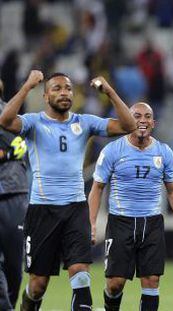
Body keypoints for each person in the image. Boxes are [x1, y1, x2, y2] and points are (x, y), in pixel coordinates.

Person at [0, 70, 136, 311]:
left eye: (68, 88)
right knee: (38, 285)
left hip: (75, 209)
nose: (64, 93)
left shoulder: (84, 122)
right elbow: (5, 120)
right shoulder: (34, 122)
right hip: (42, 210)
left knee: (80, 274)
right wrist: (27, 86)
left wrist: (110, 92)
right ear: (45, 96)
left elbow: (129, 125)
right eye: (57, 89)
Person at [88, 102, 173, 311]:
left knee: (151, 281)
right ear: (127, 120)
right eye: (137, 116)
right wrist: (91, 223)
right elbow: (97, 188)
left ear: (153, 123)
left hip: (152, 222)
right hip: (121, 221)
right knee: (115, 284)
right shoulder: (112, 150)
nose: (142, 120)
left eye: (147, 116)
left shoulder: (164, 152)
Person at [0, 79, 29, 310]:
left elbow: (25, 148)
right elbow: (15, 151)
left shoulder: (12, 116)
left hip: (14, 192)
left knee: (13, 266)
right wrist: (8, 154)